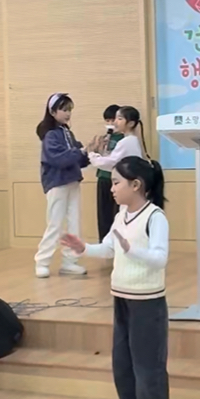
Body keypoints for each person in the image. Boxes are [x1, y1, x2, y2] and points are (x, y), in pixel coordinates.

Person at [61, 156, 171, 399]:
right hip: (121, 297)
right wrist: (84, 248)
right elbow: (109, 248)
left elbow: (160, 258)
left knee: (148, 365)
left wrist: (132, 250)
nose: (111, 189)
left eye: (116, 183)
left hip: (147, 301)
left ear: (136, 185)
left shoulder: (155, 217)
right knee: (123, 364)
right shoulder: (121, 214)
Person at [34, 93, 90, 279]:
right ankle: (42, 261)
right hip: (57, 183)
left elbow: (78, 159)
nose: (67, 113)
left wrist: (91, 151)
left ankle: (70, 262)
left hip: (72, 181)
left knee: (74, 223)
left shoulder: (67, 133)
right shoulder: (50, 135)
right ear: (52, 112)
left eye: (69, 110)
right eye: (64, 110)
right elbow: (58, 159)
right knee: (55, 224)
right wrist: (81, 151)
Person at [88, 105, 146, 189]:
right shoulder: (131, 140)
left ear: (131, 123)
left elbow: (112, 162)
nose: (115, 122)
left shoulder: (127, 141)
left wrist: (91, 154)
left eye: (119, 119)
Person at [95, 105, 124, 241]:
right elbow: (99, 157)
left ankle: (118, 243)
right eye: (108, 120)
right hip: (103, 177)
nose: (111, 123)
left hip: (117, 179)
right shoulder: (105, 137)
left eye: (113, 120)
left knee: (117, 214)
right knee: (103, 214)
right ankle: (104, 243)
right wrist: (99, 147)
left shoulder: (124, 139)